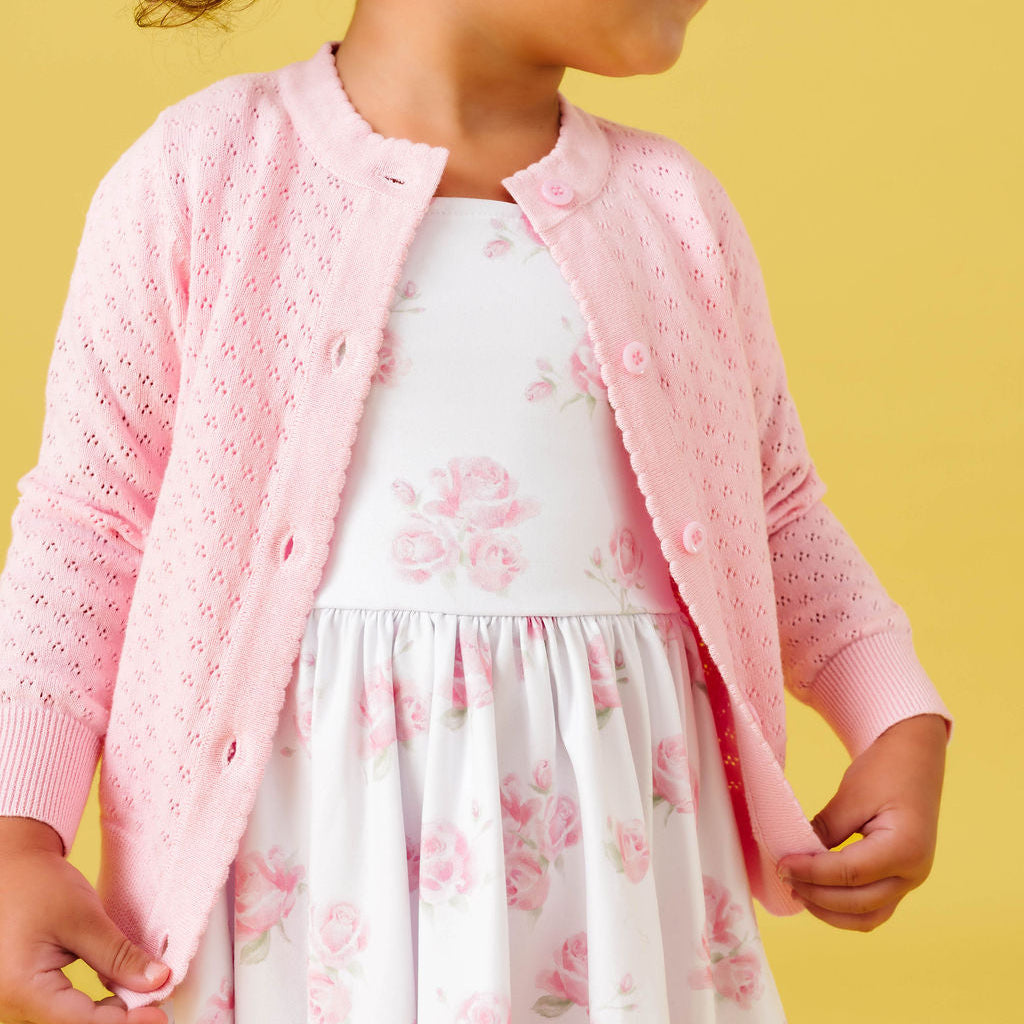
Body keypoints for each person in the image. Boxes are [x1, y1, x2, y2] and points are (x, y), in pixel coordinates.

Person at [0, 1, 954, 1022]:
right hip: (301, 888)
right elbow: (90, 527)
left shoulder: (674, 209)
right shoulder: (205, 173)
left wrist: (895, 712)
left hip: (610, 880)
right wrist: (17, 834)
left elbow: (771, 508)